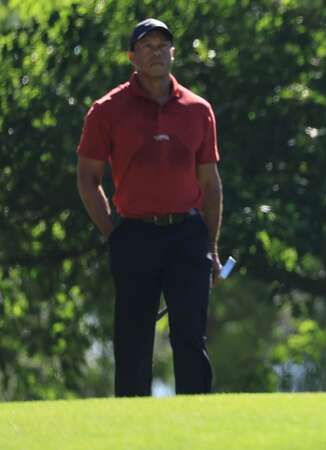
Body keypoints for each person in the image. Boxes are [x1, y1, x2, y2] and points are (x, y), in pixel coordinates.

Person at [76, 18, 223, 396]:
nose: (156, 52)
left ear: (173, 53)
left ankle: (197, 424)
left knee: (191, 336)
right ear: (132, 57)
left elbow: (210, 183)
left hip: (187, 235)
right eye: (147, 46)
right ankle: (133, 429)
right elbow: (87, 179)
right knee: (133, 340)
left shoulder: (198, 109)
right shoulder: (106, 110)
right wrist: (114, 231)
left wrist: (212, 246)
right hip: (134, 233)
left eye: (163, 45)